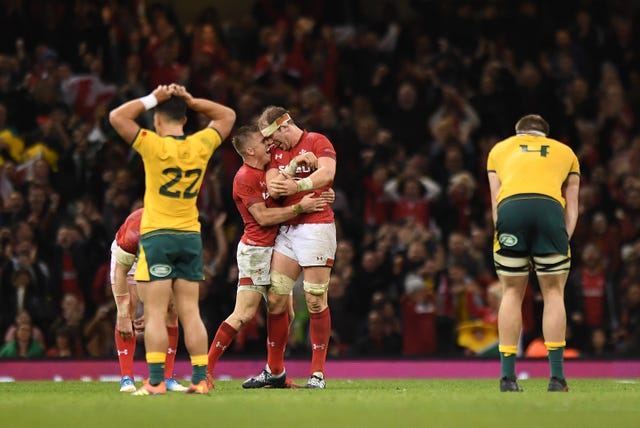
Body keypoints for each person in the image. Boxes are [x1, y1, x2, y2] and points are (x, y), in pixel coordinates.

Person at [109, 83, 235, 395]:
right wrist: (193, 101)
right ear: (185, 119)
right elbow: (227, 116)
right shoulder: (200, 144)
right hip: (190, 236)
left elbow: (117, 117)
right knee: (189, 311)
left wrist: (154, 97)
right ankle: (200, 379)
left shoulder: (153, 145)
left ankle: (154, 383)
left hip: (157, 237)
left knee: (153, 313)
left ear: (158, 121)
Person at [205, 124, 333, 388]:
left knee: (283, 309)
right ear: (250, 150)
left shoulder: (265, 170)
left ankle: (276, 372)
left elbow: (280, 191)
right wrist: (300, 205)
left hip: (274, 246)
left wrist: (315, 188)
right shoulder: (244, 177)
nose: (269, 145)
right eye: (264, 142)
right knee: (243, 313)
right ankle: (204, 370)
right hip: (255, 251)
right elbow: (263, 216)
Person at [242, 106, 336, 389]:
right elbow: (274, 187)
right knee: (276, 298)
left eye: (272, 137)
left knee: (315, 299)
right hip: (288, 230)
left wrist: (299, 185)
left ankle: (317, 373)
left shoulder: (318, 141)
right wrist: (299, 179)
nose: (270, 145)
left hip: (316, 226)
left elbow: (327, 174)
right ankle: (274, 369)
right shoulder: (276, 155)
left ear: (283, 126)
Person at [487, 114, 580, 392]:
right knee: (553, 292)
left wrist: (502, 231)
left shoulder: (499, 150)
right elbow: (572, 204)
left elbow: (495, 199)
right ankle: (557, 378)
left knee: (511, 292)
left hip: (510, 210)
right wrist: (564, 237)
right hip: (549, 210)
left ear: (519, 133)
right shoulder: (567, 153)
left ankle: (507, 377)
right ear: (545, 134)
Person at [110, 208, 186, 393]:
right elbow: (120, 271)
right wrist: (122, 314)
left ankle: (166, 378)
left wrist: (155, 312)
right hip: (130, 261)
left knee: (171, 310)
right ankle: (126, 378)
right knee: (128, 309)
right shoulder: (132, 236)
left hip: (160, 263)